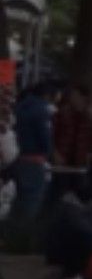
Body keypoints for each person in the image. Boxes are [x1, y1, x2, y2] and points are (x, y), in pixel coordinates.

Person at [8, 81, 54, 234]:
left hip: (20, 157)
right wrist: (49, 152)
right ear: (47, 95)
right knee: (32, 202)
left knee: (18, 201)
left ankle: (9, 233)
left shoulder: (20, 108)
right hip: (35, 160)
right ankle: (22, 237)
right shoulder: (41, 110)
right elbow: (45, 137)